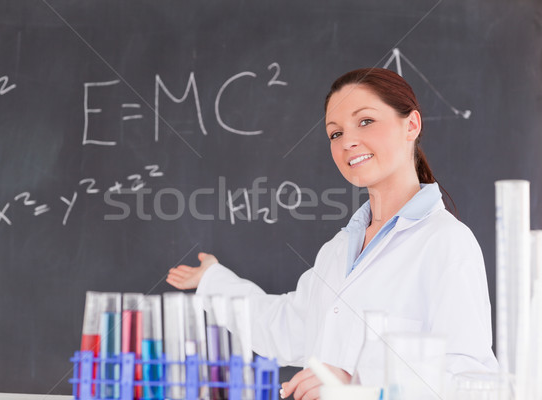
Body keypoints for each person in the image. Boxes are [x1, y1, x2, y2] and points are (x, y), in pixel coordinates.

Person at [166, 68, 498, 399]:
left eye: (365, 121)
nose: (348, 141)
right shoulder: (340, 248)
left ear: (411, 125)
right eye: (335, 133)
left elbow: (472, 383)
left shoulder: (446, 242)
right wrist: (213, 281)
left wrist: (359, 388)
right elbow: (286, 327)